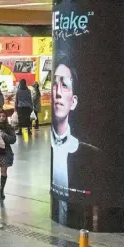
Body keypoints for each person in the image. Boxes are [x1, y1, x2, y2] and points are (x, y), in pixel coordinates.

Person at [50, 58, 101, 202]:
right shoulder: (51, 148)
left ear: (74, 102)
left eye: (65, 85)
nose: (58, 92)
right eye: (54, 85)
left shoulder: (89, 154)